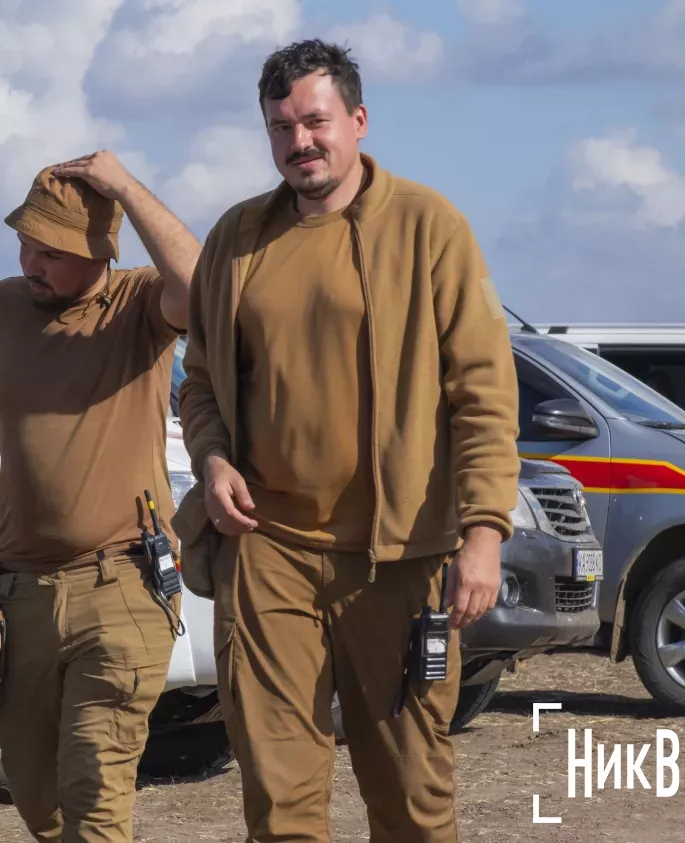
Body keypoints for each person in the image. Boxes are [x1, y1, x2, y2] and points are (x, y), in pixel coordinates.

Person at [172, 40, 520, 843]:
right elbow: (201, 383)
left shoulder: (431, 228)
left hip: (399, 562)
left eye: (316, 121)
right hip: (268, 550)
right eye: (281, 127)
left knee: (411, 794)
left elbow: (483, 391)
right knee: (278, 798)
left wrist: (483, 534)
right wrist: (214, 456)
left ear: (358, 121)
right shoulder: (236, 239)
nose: (301, 142)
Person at [0, 150, 201, 842]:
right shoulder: (0, 307)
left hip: (122, 583)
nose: (32, 264)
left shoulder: (140, 305)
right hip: (22, 590)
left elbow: (205, 285)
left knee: (96, 788)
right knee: (38, 798)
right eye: (25, 245)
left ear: (101, 251)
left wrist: (124, 183)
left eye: (52, 252)